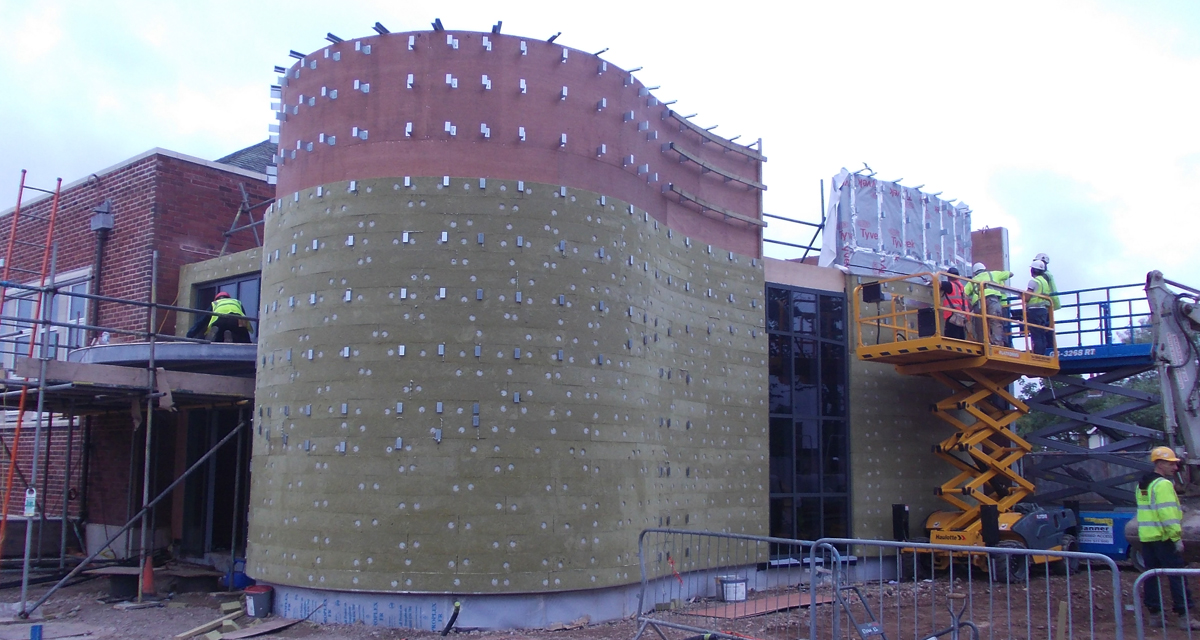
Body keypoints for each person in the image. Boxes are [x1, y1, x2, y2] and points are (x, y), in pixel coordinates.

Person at [1137, 446, 1200, 629]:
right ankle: (1185, 616)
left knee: (1151, 576)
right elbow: (1167, 514)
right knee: (1177, 576)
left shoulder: (1143, 484)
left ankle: (1155, 615)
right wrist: (1176, 537)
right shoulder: (1163, 485)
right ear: (1160, 464)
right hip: (1164, 538)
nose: (1175, 468)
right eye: (1171, 464)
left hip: (1148, 538)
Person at [966, 263, 1014, 346]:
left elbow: (964, 293)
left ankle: (983, 344)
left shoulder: (972, 281)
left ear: (974, 272)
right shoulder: (994, 274)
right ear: (985, 269)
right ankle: (997, 343)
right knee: (995, 321)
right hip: (993, 300)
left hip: (978, 303)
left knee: (980, 324)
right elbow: (1010, 273)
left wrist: (970, 303)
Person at [1025, 259, 1060, 355]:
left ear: (1033, 270)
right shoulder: (1044, 282)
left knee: (1036, 335)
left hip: (1034, 311)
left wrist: (1021, 296)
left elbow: (1027, 298)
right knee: (1041, 334)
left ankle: (1038, 355)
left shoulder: (1033, 281)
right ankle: (1043, 354)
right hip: (1043, 310)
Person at [940, 267, 969, 340]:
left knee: (951, 341)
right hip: (962, 318)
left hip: (952, 317)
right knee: (960, 340)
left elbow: (937, 283)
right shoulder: (961, 287)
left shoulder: (950, 285)